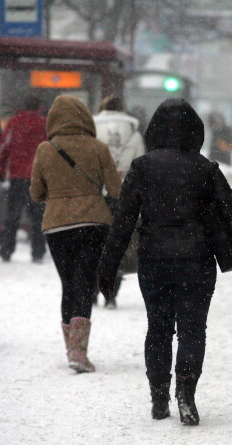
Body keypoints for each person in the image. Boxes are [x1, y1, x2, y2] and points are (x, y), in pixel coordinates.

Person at [97, 99, 232, 425]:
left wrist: (107, 268)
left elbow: (122, 222)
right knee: (193, 329)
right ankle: (186, 393)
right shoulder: (205, 168)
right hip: (197, 260)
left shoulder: (142, 167)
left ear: (155, 129)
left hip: (155, 260)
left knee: (159, 329)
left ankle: (159, 397)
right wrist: (204, 205)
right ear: (195, 130)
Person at [29, 95, 122, 373]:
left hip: (57, 226)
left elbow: (36, 192)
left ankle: (72, 348)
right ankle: (78, 352)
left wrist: (57, 194)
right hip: (93, 223)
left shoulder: (46, 149)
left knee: (68, 284)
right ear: (85, 118)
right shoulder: (98, 148)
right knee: (84, 283)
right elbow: (116, 190)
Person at [93, 95, 146, 309]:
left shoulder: (92, 130)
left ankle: (92, 290)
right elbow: (141, 164)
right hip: (124, 194)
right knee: (117, 244)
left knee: (95, 243)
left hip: (97, 193)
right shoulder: (133, 133)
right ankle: (111, 293)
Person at [0, 95, 47, 263]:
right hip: (37, 176)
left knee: (13, 215)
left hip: (18, 175)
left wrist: (0, 170)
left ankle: (7, 249)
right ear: (39, 107)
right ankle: (38, 251)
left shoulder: (14, 122)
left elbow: (4, 147)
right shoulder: (44, 124)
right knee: (38, 216)